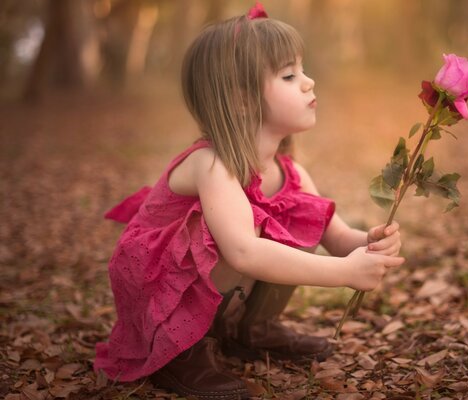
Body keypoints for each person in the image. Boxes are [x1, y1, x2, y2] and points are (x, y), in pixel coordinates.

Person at [94, 2, 404, 399]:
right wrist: (344, 273)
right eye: (290, 76)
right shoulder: (211, 163)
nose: (309, 82)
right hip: (159, 286)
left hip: (212, 274)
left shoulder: (289, 173)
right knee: (246, 231)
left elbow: (336, 235)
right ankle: (179, 349)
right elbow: (241, 252)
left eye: (303, 71)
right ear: (241, 99)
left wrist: (370, 243)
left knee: (298, 213)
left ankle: (249, 328)